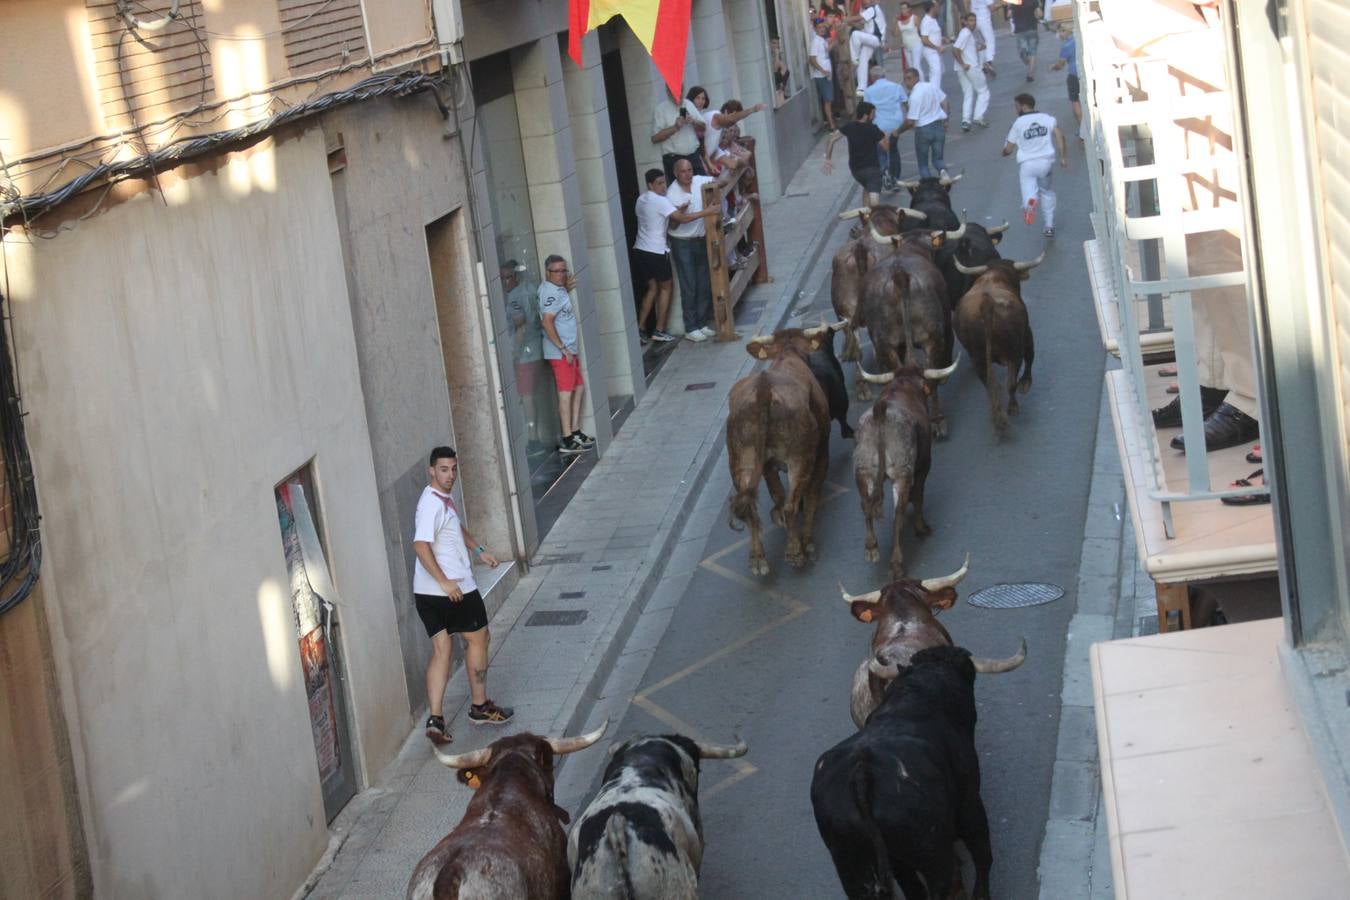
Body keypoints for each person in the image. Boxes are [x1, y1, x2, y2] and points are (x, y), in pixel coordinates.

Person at [414, 446, 512, 746]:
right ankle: (480, 707)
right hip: (455, 591)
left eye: (454, 468)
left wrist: (479, 550)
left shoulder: (439, 499)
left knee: (442, 649)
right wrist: (445, 582)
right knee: (478, 639)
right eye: (444, 469)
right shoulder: (433, 504)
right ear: (432, 470)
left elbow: (454, 527)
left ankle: (436, 719)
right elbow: (420, 545)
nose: (450, 475)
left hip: (425, 594)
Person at [539, 255, 595, 454]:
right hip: (562, 353)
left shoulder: (558, 290)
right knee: (566, 394)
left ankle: (575, 430)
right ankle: (567, 438)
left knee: (579, 388)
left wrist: (565, 288)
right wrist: (562, 348)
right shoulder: (551, 293)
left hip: (570, 350)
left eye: (564, 270)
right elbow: (547, 321)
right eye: (557, 271)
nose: (562, 274)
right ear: (548, 273)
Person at [666, 158, 726, 341]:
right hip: (682, 242)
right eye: (683, 171)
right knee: (689, 284)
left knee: (704, 282)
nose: (687, 174)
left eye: (689, 170)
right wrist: (707, 212)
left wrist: (716, 184)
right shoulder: (672, 193)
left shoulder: (699, 181)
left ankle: (700, 323)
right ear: (676, 174)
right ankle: (690, 327)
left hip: (701, 239)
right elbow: (679, 221)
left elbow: (720, 181)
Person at [1001, 92, 1067, 237]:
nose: (1015, 109)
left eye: (1016, 106)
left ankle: (1030, 204)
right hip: (1045, 163)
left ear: (1023, 107)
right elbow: (1059, 135)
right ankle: (1049, 225)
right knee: (1047, 192)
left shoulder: (1017, 124)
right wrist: (1063, 157)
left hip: (1027, 165)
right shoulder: (1046, 118)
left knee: (1028, 191)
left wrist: (1004, 152)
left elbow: (1009, 149)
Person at [634, 169, 683, 345]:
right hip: (656, 250)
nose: (663, 187)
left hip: (640, 249)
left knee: (652, 288)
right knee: (666, 288)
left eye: (664, 182)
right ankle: (659, 330)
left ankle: (640, 328)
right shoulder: (660, 201)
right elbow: (680, 219)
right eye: (659, 183)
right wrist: (707, 212)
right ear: (650, 185)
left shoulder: (641, 199)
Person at [503, 261, 544, 442]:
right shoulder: (531, 288)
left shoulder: (514, 297)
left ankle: (533, 438)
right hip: (536, 348)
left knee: (526, 396)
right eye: (502, 278)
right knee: (531, 395)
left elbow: (520, 327)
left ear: (516, 276)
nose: (505, 282)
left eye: (508, 277)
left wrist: (514, 353)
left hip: (524, 354)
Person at [824, 100, 890, 206]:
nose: (874, 117)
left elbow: (831, 140)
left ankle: (865, 218)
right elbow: (886, 147)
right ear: (865, 115)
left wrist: (828, 158)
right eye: (873, 114)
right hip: (872, 169)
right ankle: (875, 218)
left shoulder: (849, 126)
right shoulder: (873, 129)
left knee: (867, 188)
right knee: (874, 201)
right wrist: (886, 136)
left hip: (856, 170)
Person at [897, 67, 950, 179]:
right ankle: (943, 172)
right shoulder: (931, 86)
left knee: (923, 164)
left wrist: (898, 131)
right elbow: (944, 101)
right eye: (905, 79)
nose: (907, 82)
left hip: (923, 130)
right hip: (938, 126)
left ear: (917, 78)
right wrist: (945, 119)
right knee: (938, 158)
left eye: (909, 78)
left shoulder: (914, 96)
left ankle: (928, 184)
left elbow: (910, 121)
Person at [862, 64, 908, 189]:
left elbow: (868, 111)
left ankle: (884, 170)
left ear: (872, 78)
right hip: (895, 124)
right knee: (893, 149)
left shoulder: (869, 91)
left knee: (881, 152)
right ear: (884, 75)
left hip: (879, 125)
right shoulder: (896, 87)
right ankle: (895, 179)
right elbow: (905, 102)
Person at [652, 86, 705, 184]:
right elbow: (655, 138)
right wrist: (675, 127)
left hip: (693, 156)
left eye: (681, 90)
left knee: (704, 187)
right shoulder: (661, 109)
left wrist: (693, 121)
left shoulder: (688, 104)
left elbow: (703, 127)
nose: (679, 93)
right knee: (680, 194)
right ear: (668, 91)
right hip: (674, 159)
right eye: (675, 90)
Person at [704, 99, 767, 176]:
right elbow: (731, 118)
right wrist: (753, 109)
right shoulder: (715, 116)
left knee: (733, 164)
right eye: (733, 122)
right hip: (698, 159)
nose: (732, 124)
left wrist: (740, 161)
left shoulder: (720, 129)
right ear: (726, 112)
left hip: (708, 157)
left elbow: (732, 163)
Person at [952, 12, 991, 131]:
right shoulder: (965, 33)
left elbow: (966, 50)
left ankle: (965, 120)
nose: (973, 23)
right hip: (970, 67)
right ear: (965, 21)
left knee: (968, 93)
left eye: (974, 20)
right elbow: (955, 50)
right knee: (983, 91)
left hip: (961, 69)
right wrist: (964, 64)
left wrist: (979, 48)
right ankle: (978, 116)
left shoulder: (967, 33)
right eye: (970, 20)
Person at [846, 0, 887, 95]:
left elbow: (858, 17)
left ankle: (854, 58)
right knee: (863, 61)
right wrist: (850, 22)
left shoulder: (873, 8)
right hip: (869, 39)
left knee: (855, 34)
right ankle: (862, 88)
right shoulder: (865, 10)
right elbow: (860, 24)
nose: (864, 1)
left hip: (876, 39)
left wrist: (846, 19)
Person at [1050, 23, 1081, 133]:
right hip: (1087, 73)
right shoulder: (1082, 39)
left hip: (1074, 75)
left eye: (1061, 32)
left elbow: (1060, 64)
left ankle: (1083, 129)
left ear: (1066, 31)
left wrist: (1053, 67)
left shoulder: (1066, 46)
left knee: (1075, 101)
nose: (1059, 35)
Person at [809, 18, 838, 132]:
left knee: (829, 100)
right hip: (821, 75)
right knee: (827, 101)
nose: (822, 29)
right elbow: (812, 59)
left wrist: (835, 39)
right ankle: (831, 125)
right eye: (819, 27)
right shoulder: (815, 41)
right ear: (815, 29)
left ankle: (831, 122)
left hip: (827, 74)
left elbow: (827, 50)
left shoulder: (822, 40)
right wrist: (822, 70)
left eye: (823, 27)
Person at [1009, 0, 1043, 82]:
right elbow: (1039, 14)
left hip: (1020, 30)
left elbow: (1009, 14)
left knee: (1023, 49)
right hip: (1032, 28)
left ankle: (1024, 54)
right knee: (1033, 52)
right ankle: (1030, 74)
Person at [918, 2, 945, 84]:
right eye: (936, 7)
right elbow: (924, 39)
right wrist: (938, 47)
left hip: (936, 51)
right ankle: (933, 93)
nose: (938, 9)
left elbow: (933, 35)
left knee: (939, 72)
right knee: (935, 74)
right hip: (931, 52)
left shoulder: (933, 20)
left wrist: (943, 39)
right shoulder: (926, 21)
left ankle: (936, 92)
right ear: (932, 8)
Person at [970, 0, 999, 77]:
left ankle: (981, 65)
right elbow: (992, 8)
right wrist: (1001, 5)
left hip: (974, 20)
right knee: (990, 41)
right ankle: (989, 61)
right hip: (984, 21)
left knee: (981, 44)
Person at [895, 2, 924, 72]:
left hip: (916, 44)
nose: (903, 10)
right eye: (901, 9)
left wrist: (923, 41)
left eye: (904, 8)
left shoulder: (914, 18)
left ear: (909, 9)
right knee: (911, 68)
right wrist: (895, 21)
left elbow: (920, 31)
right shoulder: (899, 21)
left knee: (916, 66)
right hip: (906, 47)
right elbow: (896, 34)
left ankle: (921, 82)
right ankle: (914, 82)